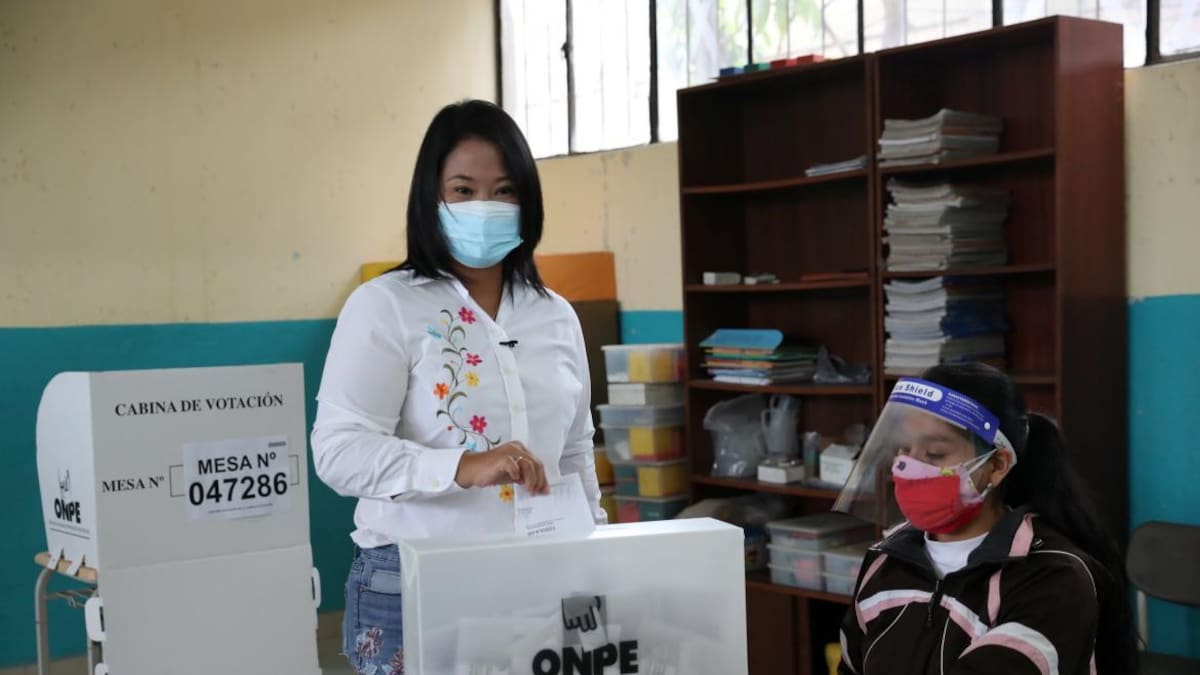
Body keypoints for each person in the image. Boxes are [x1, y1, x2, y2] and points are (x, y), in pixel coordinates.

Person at [311, 100, 606, 675]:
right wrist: (462, 467)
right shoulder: (385, 305)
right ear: (431, 197)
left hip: (542, 580)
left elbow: (574, 452)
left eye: (504, 190)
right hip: (414, 580)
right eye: (464, 190)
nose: (485, 207)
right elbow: (338, 451)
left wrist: (593, 554)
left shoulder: (555, 315)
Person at [834, 363, 1136, 675]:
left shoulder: (1053, 578)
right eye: (904, 449)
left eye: (935, 454)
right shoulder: (885, 561)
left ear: (997, 465)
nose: (908, 467)